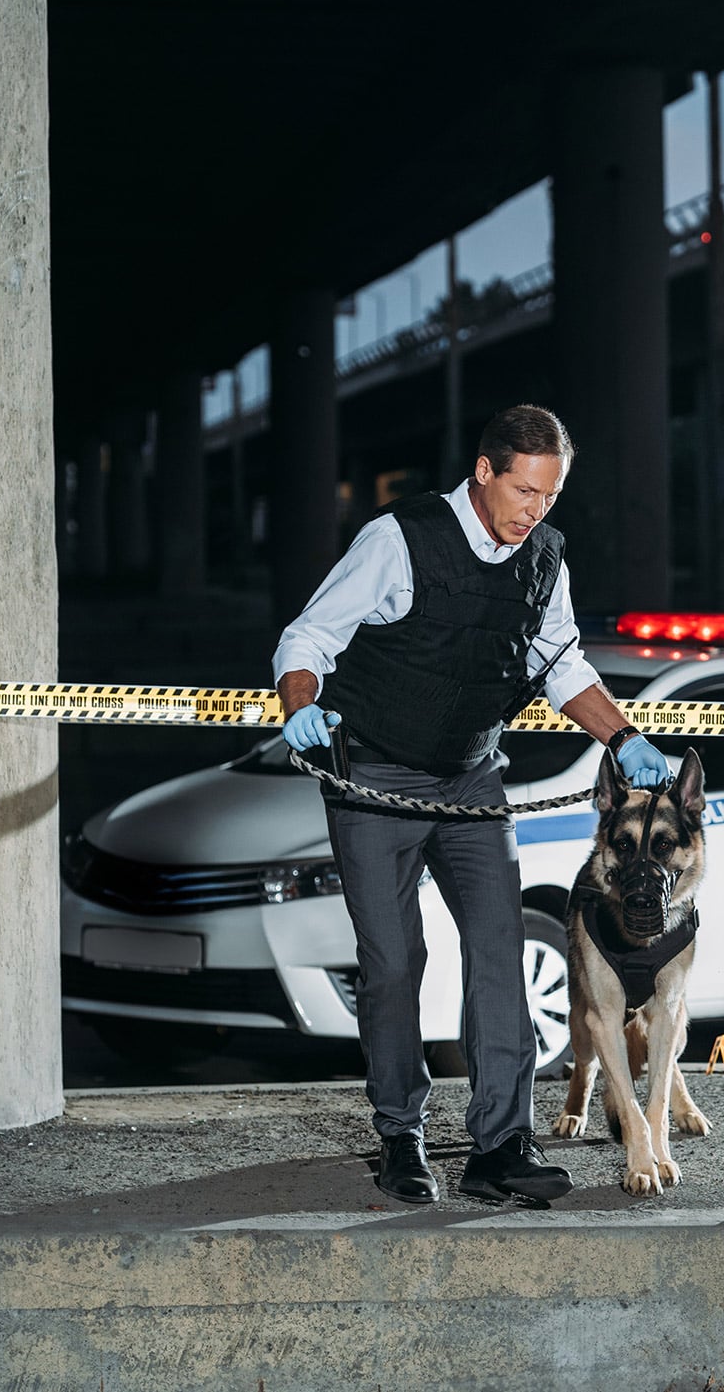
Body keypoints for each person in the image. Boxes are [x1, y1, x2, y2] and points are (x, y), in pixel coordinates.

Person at [273, 404, 672, 1205]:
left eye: (550, 497)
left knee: (500, 955)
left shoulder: (544, 558)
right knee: (393, 965)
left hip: (470, 779)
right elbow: (306, 639)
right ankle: (401, 1135)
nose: (535, 511)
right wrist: (299, 706)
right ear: (484, 472)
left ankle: (499, 1145)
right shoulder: (400, 540)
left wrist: (623, 736)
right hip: (376, 781)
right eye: (524, 491)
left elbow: (562, 666)